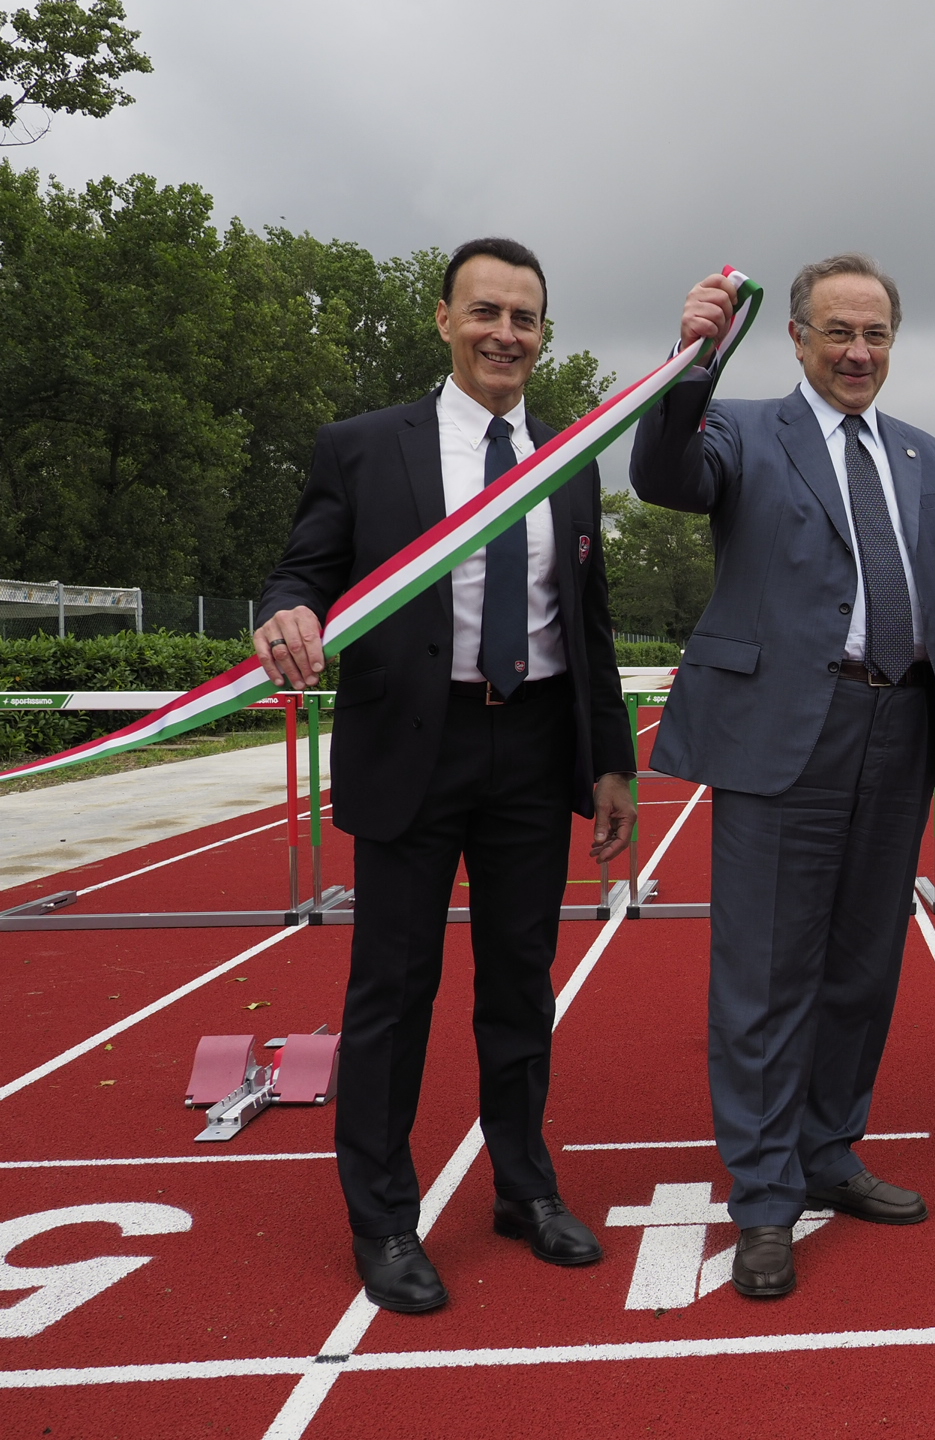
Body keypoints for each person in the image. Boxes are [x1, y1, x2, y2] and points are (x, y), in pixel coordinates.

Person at [630, 255, 935, 1298]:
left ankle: (829, 1151)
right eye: (839, 333)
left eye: (878, 336)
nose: (860, 353)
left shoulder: (924, 454)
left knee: (862, 968)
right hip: (784, 729)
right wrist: (693, 360)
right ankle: (766, 1199)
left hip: (898, 724)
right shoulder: (739, 427)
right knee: (767, 977)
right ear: (798, 338)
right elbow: (665, 476)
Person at [254, 237, 638, 1313]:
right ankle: (382, 1217)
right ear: (443, 319)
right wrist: (283, 608)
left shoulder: (570, 455)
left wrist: (610, 760)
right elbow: (304, 568)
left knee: (521, 988)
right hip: (411, 749)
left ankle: (523, 1188)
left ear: (542, 334)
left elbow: (588, 622)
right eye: (485, 312)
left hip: (533, 745)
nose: (505, 334)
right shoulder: (364, 448)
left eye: (524, 318)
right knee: (394, 990)